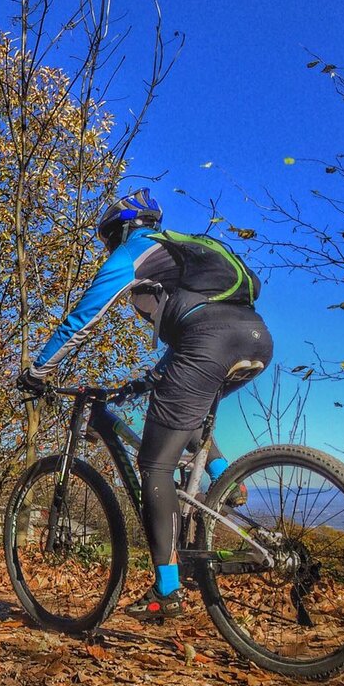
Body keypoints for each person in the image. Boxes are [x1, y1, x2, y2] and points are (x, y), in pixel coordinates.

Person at [17, 188, 273, 621]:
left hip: (205, 343)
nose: (107, 248)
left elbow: (84, 317)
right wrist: (137, 385)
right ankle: (224, 478)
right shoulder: (185, 252)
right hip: (256, 338)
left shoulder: (133, 252)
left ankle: (167, 590)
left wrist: (38, 371)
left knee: (153, 464)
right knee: (177, 406)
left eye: (107, 240)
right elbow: (189, 341)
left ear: (118, 231)